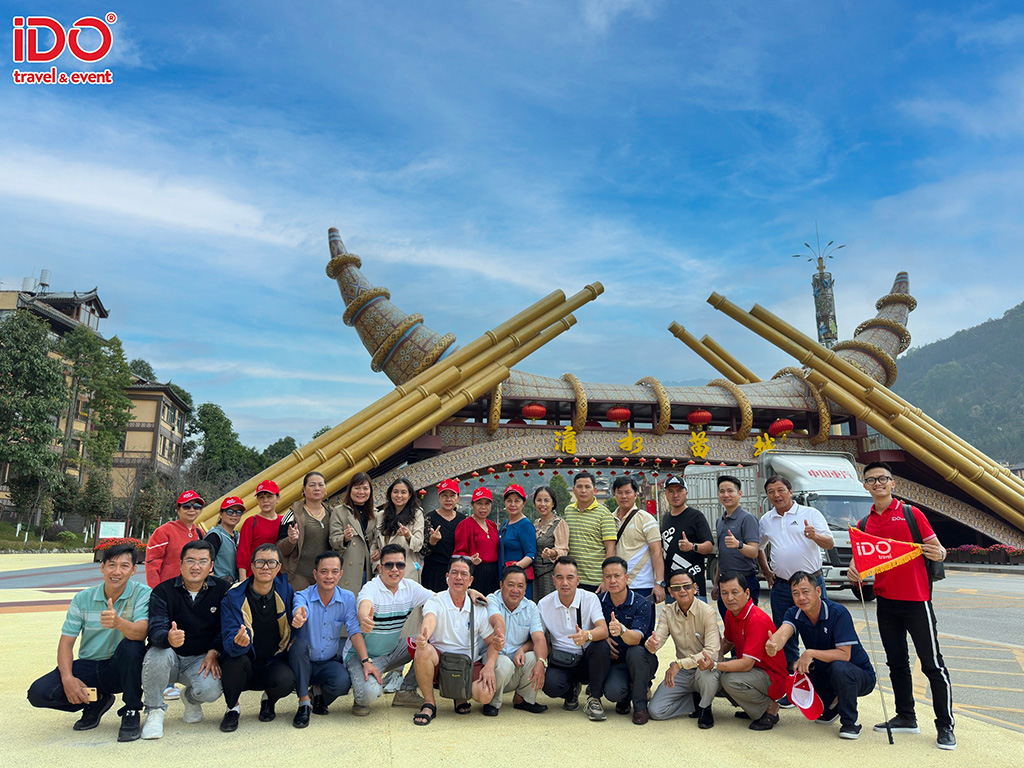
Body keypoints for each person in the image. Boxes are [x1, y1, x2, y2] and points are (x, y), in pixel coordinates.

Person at [848, 461, 955, 750]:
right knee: (896, 663)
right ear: (865, 486)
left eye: (883, 478)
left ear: (893, 483)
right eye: (872, 480)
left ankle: (945, 726)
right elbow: (859, 560)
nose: (878, 484)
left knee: (933, 665)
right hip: (886, 602)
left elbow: (938, 549)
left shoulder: (911, 514)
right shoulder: (864, 524)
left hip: (917, 600)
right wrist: (853, 570)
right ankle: (906, 716)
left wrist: (940, 553)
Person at [27, 543, 150, 742]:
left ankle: (131, 711)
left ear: (134, 570)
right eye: (111, 565)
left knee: (133, 646)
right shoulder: (83, 598)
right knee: (39, 693)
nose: (117, 571)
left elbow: (142, 632)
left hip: (122, 668)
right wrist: (68, 678)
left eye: (124, 566)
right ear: (102, 567)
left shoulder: (143, 594)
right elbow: (66, 643)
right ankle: (96, 701)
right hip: (90, 665)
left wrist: (118, 622)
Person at [765, 571, 875, 739]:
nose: (801, 597)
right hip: (826, 669)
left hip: (859, 675)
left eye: (805, 591)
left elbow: (844, 655)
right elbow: (782, 634)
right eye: (795, 593)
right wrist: (773, 645)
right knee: (799, 670)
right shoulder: (794, 613)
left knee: (839, 668)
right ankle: (832, 706)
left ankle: (850, 722)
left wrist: (810, 653)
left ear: (818, 591)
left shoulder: (838, 612)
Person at [141, 540, 230, 739]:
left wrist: (214, 651)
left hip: (200, 659)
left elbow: (225, 627)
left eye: (202, 561)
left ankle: (190, 699)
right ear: (181, 563)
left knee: (211, 690)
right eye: (190, 560)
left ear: (211, 566)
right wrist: (168, 638)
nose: (196, 566)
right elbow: (155, 630)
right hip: (170, 656)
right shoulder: (163, 591)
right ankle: (154, 711)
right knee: (156, 654)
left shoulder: (223, 589)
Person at [757, 475, 834, 673]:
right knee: (785, 635)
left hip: (811, 584)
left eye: (780, 490)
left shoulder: (811, 513)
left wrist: (814, 536)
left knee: (820, 631)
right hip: (782, 586)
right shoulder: (766, 520)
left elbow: (829, 543)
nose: (776, 495)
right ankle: (791, 680)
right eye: (771, 492)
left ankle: (822, 678)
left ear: (790, 492)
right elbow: (758, 547)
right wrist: (766, 572)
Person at [289, 550, 375, 727]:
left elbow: (354, 631)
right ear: (315, 574)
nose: (329, 576)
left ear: (340, 574)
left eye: (334, 571)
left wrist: (366, 661)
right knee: (299, 646)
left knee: (343, 682)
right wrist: (298, 616)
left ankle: (318, 692)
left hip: (327, 663)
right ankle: (304, 703)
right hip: (302, 662)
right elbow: (299, 608)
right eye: (324, 571)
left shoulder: (347, 598)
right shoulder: (302, 595)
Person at [346, 543, 435, 713]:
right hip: (362, 656)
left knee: (425, 643)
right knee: (368, 695)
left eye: (399, 565)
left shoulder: (410, 587)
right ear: (380, 568)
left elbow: (439, 599)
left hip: (392, 652)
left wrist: (468, 592)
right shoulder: (371, 588)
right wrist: (364, 618)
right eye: (389, 565)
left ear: (405, 567)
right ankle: (361, 694)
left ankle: (406, 691)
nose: (395, 569)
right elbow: (364, 605)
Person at [218, 543, 296, 732]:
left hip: (271, 660)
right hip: (244, 662)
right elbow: (227, 637)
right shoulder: (233, 596)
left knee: (287, 680)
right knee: (234, 662)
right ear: (252, 566)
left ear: (279, 567)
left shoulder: (285, 591)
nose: (265, 567)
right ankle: (232, 708)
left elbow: (295, 619)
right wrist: (238, 643)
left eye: (271, 563)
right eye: (260, 562)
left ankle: (269, 699)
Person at [412, 556, 499, 724]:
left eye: (464, 574)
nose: (458, 577)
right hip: (440, 663)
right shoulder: (436, 601)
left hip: (467, 664)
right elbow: (430, 618)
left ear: (470, 580)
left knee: (485, 695)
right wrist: (425, 636)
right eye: (454, 573)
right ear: (447, 577)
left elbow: (492, 643)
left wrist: (489, 666)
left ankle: (460, 696)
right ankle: (429, 704)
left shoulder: (478, 607)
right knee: (423, 651)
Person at [711, 572, 788, 731]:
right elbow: (728, 643)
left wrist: (714, 664)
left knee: (728, 679)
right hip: (754, 672)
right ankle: (754, 708)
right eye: (724, 593)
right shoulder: (731, 613)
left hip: (772, 677)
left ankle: (770, 708)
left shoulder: (756, 619)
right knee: (715, 674)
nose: (729, 598)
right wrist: (707, 654)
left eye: (735, 592)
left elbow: (746, 664)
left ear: (747, 593)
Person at [538, 556, 610, 720]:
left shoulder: (590, 598)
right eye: (559, 577)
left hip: (587, 659)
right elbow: (538, 637)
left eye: (570, 577)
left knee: (601, 646)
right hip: (562, 660)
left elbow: (603, 630)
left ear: (577, 580)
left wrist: (587, 635)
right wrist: (540, 661)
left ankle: (594, 698)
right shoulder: (543, 604)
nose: (565, 583)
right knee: (549, 685)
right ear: (553, 580)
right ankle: (571, 692)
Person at [646, 569, 721, 726]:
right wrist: (651, 644)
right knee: (655, 711)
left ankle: (705, 707)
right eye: (676, 588)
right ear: (670, 592)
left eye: (686, 586)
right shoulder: (668, 612)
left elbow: (712, 652)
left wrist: (679, 664)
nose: (682, 591)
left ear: (694, 588)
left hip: (705, 668)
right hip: (683, 672)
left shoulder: (707, 612)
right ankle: (694, 701)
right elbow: (657, 640)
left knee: (706, 672)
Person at [598, 556, 658, 724]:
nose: (612, 580)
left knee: (635, 652)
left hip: (642, 660)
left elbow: (636, 639)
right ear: (603, 579)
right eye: (608, 576)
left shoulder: (642, 603)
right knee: (613, 692)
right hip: (617, 661)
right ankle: (625, 696)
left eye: (617, 576)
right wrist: (604, 636)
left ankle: (640, 706)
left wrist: (622, 630)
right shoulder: (598, 601)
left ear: (626, 578)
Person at [486, 565, 548, 714]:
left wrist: (541, 661)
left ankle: (523, 700)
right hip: (493, 664)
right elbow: (496, 619)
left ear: (525, 589)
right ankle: (492, 702)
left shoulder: (531, 607)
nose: (515, 590)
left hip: (515, 665)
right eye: (511, 585)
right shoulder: (492, 599)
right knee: (504, 663)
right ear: (501, 585)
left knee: (536, 657)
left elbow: (539, 638)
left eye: (520, 586)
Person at [610, 476, 665, 602]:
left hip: (642, 585)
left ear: (635, 495)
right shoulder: (609, 519)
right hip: (616, 584)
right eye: (619, 492)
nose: (623, 496)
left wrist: (659, 583)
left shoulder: (646, 519)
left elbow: (657, 552)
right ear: (615, 495)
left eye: (627, 492)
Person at [712, 475, 760, 617]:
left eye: (730, 491)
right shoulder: (719, 521)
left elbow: (754, 552)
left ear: (740, 494)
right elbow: (721, 556)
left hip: (744, 580)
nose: (726, 495)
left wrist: (738, 545)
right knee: (729, 626)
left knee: (746, 624)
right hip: (724, 581)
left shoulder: (747, 518)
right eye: (722, 491)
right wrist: (716, 584)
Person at [660, 476, 713, 600]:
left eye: (679, 490)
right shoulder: (666, 518)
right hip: (672, 587)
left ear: (686, 493)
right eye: (671, 491)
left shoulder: (696, 516)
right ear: (666, 494)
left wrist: (692, 547)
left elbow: (709, 546)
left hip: (693, 586)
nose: (675, 495)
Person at [279, 471, 333, 590]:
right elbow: (279, 548)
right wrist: (290, 541)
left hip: (324, 576)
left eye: (321, 485)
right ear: (304, 489)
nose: (317, 488)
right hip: (298, 576)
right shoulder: (292, 515)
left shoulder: (332, 513)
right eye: (312, 485)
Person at [562, 472, 616, 591]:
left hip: (596, 581)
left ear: (594, 490)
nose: (583, 490)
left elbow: (610, 548)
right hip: (573, 579)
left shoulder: (604, 514)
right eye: (579, 487)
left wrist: (606, 578)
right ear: (574, 490)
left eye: (587, 487)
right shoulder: (568, 511)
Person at [328, 472, 377, 596]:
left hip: (368, 569)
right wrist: (344, 538)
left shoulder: (375, 514)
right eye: (357, 488)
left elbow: (378, 539)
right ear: (350, 490)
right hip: (348, 569)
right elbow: (333, 540)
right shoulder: (339, 511)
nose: (361, 492)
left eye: (365, 488)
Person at [146, 489, 206, 588]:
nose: (192, 510)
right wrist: (156, 590)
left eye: (196, 506)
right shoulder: (164, 531)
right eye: (186, 506)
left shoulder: (200, 533)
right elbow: (152, 563)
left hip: (193, 589)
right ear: (178, 509)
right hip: (168, 589)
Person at [370, 477, 425, 583]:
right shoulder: (381, 515)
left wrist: (408, 536)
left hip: (406, 573)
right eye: (395, 492)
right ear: (390, 494)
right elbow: (374, 544)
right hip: (384, 572)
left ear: (409, 495)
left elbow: (418, 545)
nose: (399, 496)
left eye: (403, 492)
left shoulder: (417, 514)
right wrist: (377, 565)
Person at [420, 479, 466, 592]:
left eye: (452, 495)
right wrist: (432, 542)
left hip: (456, 573)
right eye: (444, 495)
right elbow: (422, 551)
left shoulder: (463, 520)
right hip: (433, 572)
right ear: (439, 498)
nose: (448, 499)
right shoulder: (429, 518)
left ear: (458, 498)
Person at [454, 487, 500, 595]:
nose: (483, 507)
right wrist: (469, 560)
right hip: (475, 572)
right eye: (479, 503)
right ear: (472, 505)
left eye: (487, 504)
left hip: (494, 572)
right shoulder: (465, 525)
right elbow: (458, 553)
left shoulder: (492, 525)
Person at [236, 480, 283, 580]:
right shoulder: (251, 522)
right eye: (261, 497)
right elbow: (243, 553)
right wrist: (243, 580)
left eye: (269, 496)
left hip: (278, 577)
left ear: (278, 498)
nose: (265, 501)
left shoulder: (284, 521)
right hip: (255, 577)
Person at [499, 484, 537, 598]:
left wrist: (516, 567)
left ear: (523, 503)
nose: (512, 504)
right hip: (505, 577)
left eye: (517, 501)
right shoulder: (506, 523)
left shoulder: (525, 525)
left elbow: (531, 554)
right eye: (509, 501)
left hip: (518, 580)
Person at [532, 485, 569, 601]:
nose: (542, 504)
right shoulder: (535, 524)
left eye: (546, 500)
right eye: (539, 500)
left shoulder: (559, 524)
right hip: (534, 575)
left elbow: (563, 550)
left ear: (553, 503)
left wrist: (552, 552)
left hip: (550, 575)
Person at [206, 497, 242, 584]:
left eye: (238, 512)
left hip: (234, 585)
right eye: (230, 511)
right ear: (221, 514)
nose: (234, 515)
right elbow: (205, 560)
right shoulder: (214, 535)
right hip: (218, 584)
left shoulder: (238, 536)